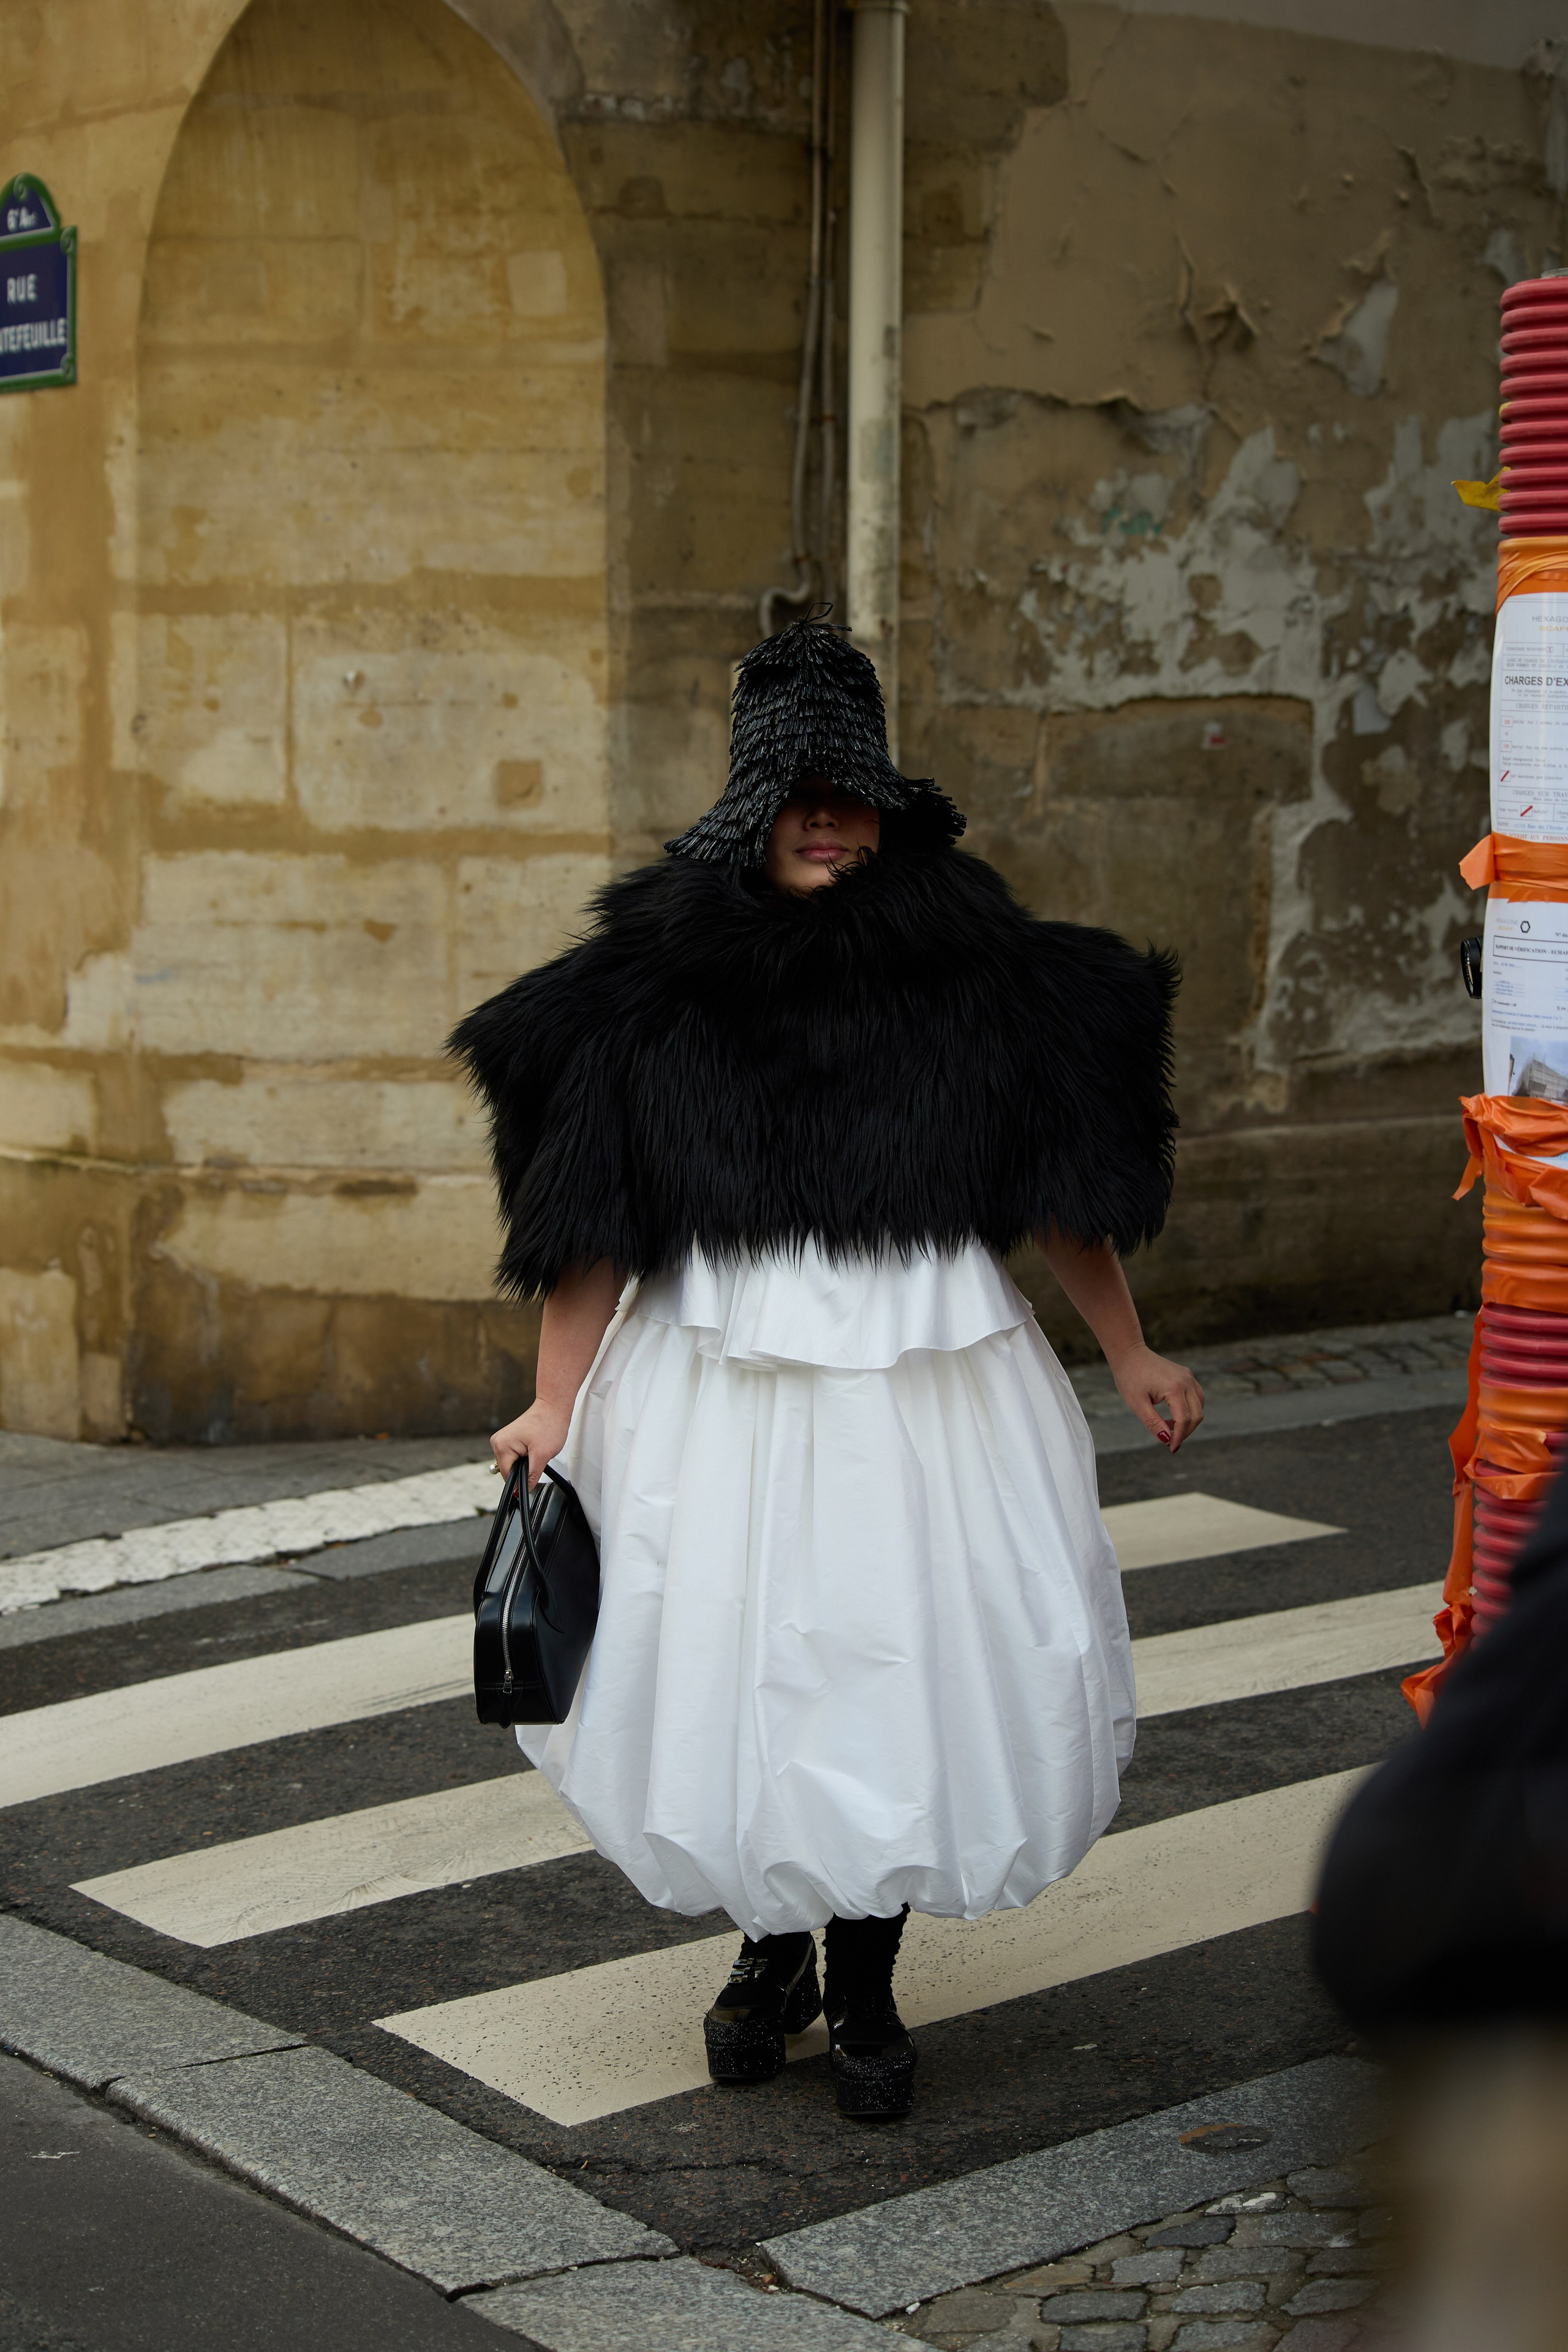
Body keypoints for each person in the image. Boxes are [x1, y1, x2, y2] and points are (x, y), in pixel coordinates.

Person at [451, 615, 1202, 2119]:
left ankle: (861, 1970)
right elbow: (590, 1224)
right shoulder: (648, 991)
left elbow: (1057, 1187)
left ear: (885, 804)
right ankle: (767, 1947)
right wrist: (553, 1399)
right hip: (716, 1384)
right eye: (794, 796)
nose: (823, 823)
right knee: (738, 1657)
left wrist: (1125, 1346)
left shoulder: (980, 978)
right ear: (748, 803)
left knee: (890, 1655)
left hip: (923, 1379)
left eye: (846, 795)